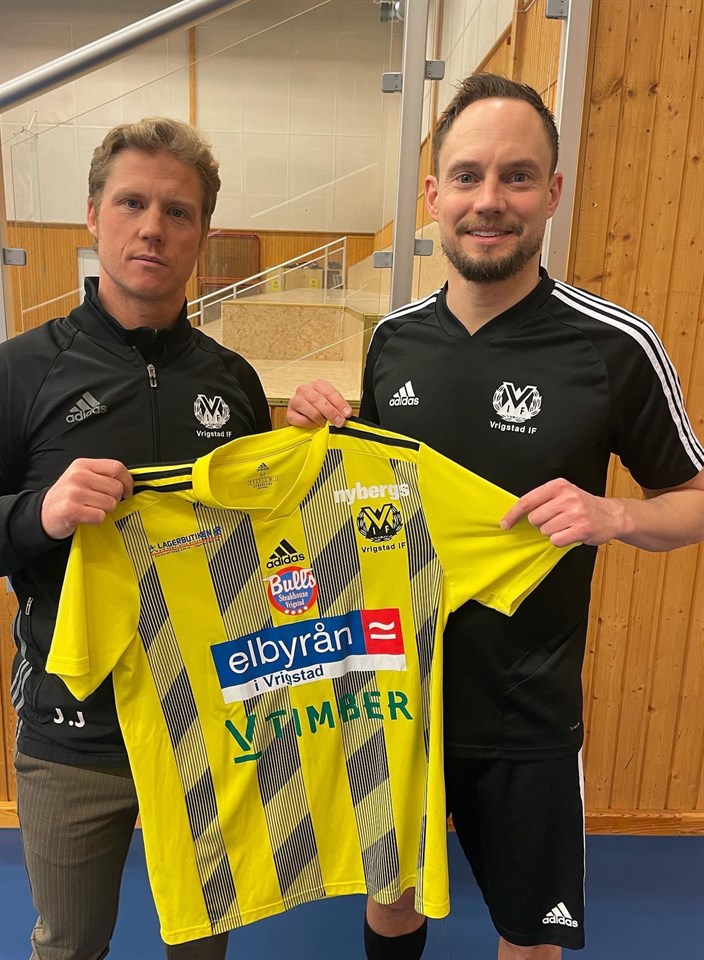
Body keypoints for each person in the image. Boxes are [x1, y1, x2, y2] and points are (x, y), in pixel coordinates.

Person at [286, 73, 704, 960]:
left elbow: (696, 499)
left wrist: (616, 515)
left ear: (553, 192)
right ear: (433, 195)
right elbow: (378, 501)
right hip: (395, 697)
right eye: (468, 176)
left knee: (529, 937)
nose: (489, 201)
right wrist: (324, 438)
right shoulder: (394, 340)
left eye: (518, 177)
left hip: (526, 715)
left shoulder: (614, 345)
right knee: (392, 905)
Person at [0, 117, 271, 960]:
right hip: (71, 733)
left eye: (177, 211)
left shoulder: (234, 384)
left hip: (208, 730)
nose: (152, 227)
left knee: (202, 949)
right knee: (70, 946)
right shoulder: (19, 373)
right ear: (93, 215)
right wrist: (38, 515)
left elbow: (271, 546)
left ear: (203, 234)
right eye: (131, 203)